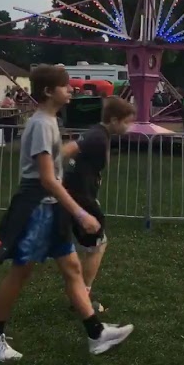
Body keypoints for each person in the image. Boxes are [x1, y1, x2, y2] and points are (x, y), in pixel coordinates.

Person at [0, 64, 134, 363]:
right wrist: (81, 214)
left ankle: (96, 335)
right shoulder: (42, 124)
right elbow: (46, 179)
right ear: (48, 91)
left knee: (72, 269)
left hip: (50, 208)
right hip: (38, 209)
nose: (71, 89)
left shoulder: (49, 122)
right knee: (21, 272)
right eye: (65, 85)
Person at [59, 96, 136, 313]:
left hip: (80, 196)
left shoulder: (99, 134)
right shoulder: (97, 137)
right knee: (97, 245)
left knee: (80, 246)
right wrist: (51, 176)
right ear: (113, 119)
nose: (128, 127)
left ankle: (79, 295)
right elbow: (65, 151)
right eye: (126, 122)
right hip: (80, 198)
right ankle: (82, 297)